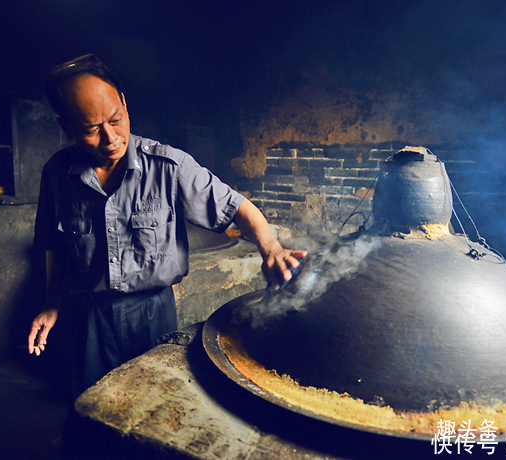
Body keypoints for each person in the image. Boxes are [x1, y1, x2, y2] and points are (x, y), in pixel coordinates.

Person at [27, 54, 306, 396]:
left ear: (125, 104)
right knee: (95, 404)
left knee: (155, 401)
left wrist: (272, 248)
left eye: (116, 119)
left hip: (152, 313)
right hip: (89, 318)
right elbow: (53, 244)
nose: (111, 137)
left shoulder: (169, 166)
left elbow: (238, 207)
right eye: (90, 129)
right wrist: (51, 304)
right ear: (66, 128)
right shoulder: (57, 174)